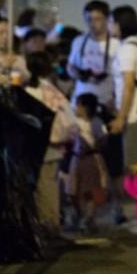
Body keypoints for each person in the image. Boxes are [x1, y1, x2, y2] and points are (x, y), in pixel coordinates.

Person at [107, 5, 137, 234]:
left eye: (111, 21)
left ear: (119, 24)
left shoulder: (127, 50)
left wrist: (121, 117)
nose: (109, 26)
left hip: (135, 116)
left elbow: (127, 86)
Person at [24, 51, 77, 235]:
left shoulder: (31, 91)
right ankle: (51, 224)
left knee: (44, 187)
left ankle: (49, 226)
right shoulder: (52, 90)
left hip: (41, 147)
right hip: (55, 146)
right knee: (50, 185)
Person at [68, 93, 109, 234]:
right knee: (73, 189)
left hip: (91, 160)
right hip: (76, 159)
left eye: (78, 105)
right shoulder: (73, 122)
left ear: (85, 107)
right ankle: (79, 216)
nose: (76, 108)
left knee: (91, 191)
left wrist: (91, 145)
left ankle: (88, 218)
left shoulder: (97, 123)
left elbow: (103, 139)